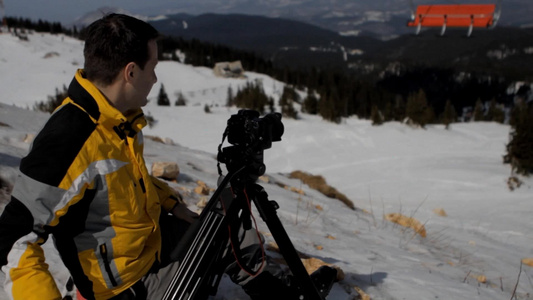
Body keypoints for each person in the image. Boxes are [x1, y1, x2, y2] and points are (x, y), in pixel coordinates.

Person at [0, 13, 336, 300]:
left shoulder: (117, 118)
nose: (156, 77)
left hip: (149, 246)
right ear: (130, 72)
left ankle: (281, 294)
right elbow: (13, 241)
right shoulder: (69, 140)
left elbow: (126, 181)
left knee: (230, 220)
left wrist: (172, 205)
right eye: (153, 67)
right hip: (127, 286)